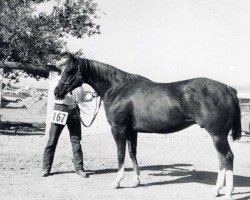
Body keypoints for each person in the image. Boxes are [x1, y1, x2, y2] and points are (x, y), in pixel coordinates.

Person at [42, 69, 96, 178]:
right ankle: (46, 168)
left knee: (76, 141)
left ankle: (79, 168)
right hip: (60, 109)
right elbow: (56, 95)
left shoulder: (78, 83)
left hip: (74, 111)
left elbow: (82, 97)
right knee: (52, 139)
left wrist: (92, 95)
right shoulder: (57, 80)